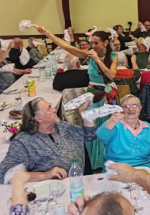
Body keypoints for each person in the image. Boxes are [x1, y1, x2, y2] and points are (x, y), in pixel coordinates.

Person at [36, 25, 119, 170]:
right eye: (91, 43)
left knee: (107, 125)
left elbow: (111, 75)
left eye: (96, 43)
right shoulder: (88, 55)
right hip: (93, 93)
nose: (93, 46)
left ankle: (109, 158)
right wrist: (47, 33)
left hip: (107, 94)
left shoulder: (113, 56)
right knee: (90, 124)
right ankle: (94, 162)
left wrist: (98, 60)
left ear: (105, 43)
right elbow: (65, 46)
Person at [0, 97, 97, 183]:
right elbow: (4, 175)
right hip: (52, 191)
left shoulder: (62, 127)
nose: (54, 110)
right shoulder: (24, 142)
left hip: (79, 182)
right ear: (38, 118)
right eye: (49, 109)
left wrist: (84, 113)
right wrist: (45, 175)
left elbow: (90, 135)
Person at [97, 94, 150, 167]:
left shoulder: (149, 128)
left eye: (134, 105)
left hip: (143, 170)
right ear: (121, 110)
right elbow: (101, 136)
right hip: (117, 170)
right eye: (126, 106)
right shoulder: (115, 125)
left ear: (140, 108)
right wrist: (112, 121)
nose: (131, 109)